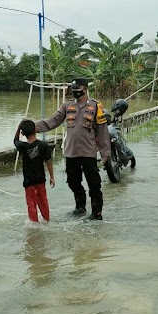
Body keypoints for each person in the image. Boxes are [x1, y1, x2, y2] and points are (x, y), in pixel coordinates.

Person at [33, 77, 110, 220]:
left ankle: (96, 213)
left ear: (85, 89)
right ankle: (80, 207)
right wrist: (34, 126)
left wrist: (105, 153)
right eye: (73, 90)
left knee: (94, 183)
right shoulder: (67, 106)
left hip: (88, 152)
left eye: (78, 90)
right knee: (73, 181)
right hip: (71, 152)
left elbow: (102, 131)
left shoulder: (95, 106)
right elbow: (53, 121)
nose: (75, 92)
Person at [14, 119, 55, 222]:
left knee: (31, 204)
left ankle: (34, 224)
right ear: (35, 130)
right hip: (40, 179)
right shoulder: (43, 145)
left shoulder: (22, 146)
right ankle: (47, 220)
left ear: (23, 133)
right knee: (43, 201)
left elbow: (15, 140)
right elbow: (48, 162)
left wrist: (19, 126)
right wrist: (52, 177)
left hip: (29, 181)